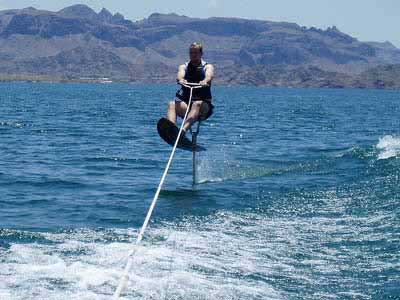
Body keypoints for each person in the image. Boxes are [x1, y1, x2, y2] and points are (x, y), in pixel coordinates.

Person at [167, 42, 214, 140]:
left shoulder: (207, 66)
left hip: (204, 108)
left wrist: (205, 81)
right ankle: (172, 130)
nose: (193, 55)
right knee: (172, 104)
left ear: (201, 54)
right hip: (188, 106)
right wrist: (181, 79)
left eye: (196, 53)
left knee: (196, 103)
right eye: (191, 53)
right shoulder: (184, 66)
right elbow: (180, 74)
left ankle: (182, 131)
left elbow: (209, 75)